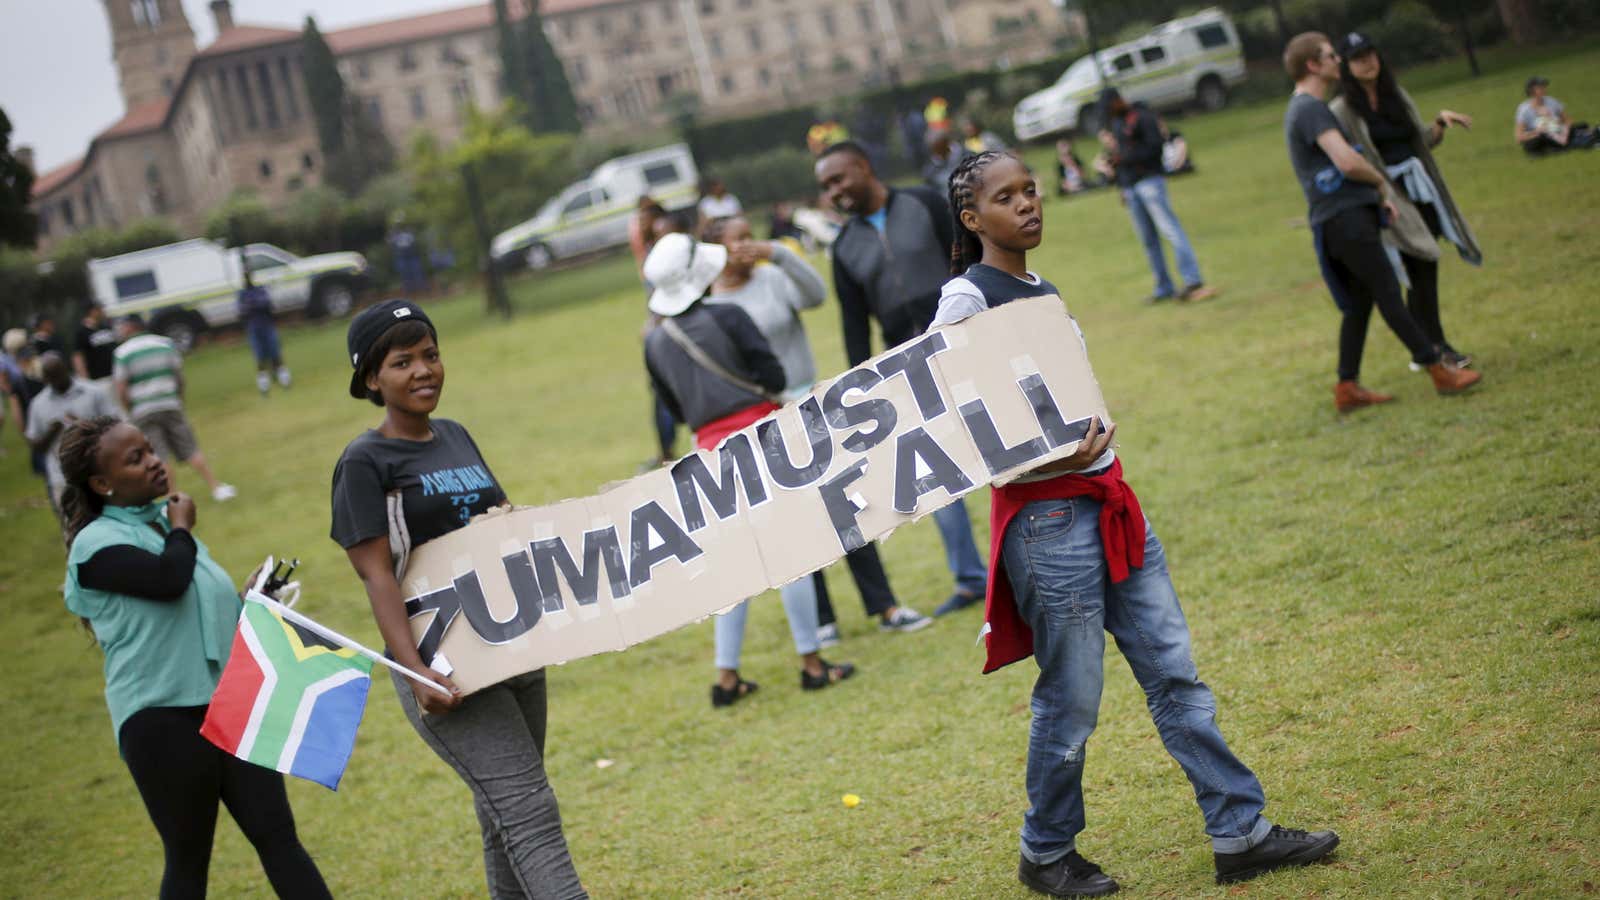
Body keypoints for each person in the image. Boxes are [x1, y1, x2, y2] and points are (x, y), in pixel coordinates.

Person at [934, 149, 1341, 896]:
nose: (1028, 204)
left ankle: (1240, 833)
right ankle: (1046, 852)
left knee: (1174, 673)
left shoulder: (1037, 286)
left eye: (1031, 190)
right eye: (1005, 197)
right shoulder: (966, 301)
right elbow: (961, 440)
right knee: (1073, 698)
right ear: (971, 219)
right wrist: (1049, 463)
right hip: (1049, 527)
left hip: (1110, 504)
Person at [331, 300, 588, 898]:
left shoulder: (455, 435)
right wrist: (414, 669)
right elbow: (376, 576)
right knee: (529, 810)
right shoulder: (364, 462)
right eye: (402, 362)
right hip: (444, 663)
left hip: (510, 643)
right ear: (372, 378)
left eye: (431, 355)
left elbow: (495, 524)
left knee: (505, 814)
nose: (424, 370)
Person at [58, 416, 332, 899]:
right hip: (161, 719)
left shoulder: (169, 531)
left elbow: (197, 610)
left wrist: (251, 599)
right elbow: (168, 581)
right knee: (188, 861)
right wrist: (181, 528)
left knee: (280, 839)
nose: (155, 463)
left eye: (150, 450)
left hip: (228, 707)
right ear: (102, 484)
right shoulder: (95, 544)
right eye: (135, 458)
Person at [642, 233, 858, 703]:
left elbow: (674, 410)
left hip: (707, 455)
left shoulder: (655, 341)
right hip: (762, 440)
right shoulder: (728, 316)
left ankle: (726, 677)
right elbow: (775, 377)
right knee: (793, 556)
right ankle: (811, 662)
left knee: (732, 566)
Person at [700, 215, 926, 643]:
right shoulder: (710, 308)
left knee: (845, 508)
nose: (749, 244)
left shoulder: (770, 278)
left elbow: (816, 295)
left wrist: (781, 254)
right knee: (798, 520)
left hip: (808, 406)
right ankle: (823, 620)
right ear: (716, 251)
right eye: (738, 240)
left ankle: (885, 605)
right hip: (762, 419)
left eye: (752, 235)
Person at [815, 140, 988, 619]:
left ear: (864, 167)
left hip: (964, 343)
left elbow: (971, 261)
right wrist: (855, 390)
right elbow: (854, 325)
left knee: (1000, 444)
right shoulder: (844, 247)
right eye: (825, 187)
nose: (834, 192)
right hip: (905, 369)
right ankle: (972, 579)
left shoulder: (924, 203)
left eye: (838, 179)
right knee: (937, 473)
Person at [1282, 32, 1480, 412]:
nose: (1337, 60)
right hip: (1344, 220)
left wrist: (1374, 199)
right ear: (1312, 64)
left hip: (1342, 217)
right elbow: (1346, 161)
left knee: (1360, 302)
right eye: (1329, 55)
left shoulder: (1307, 108)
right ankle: (1440, 370)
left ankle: (1347, 386)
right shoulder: (1310, 109)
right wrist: (1379, 184)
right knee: (1388, 292)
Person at [1331, 32, 1479, 372]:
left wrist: (1440, 124)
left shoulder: (1394, 95)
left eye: (1370, 54)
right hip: (1388, 196)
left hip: (1420, 190)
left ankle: (1429, 348)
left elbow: (1419, 141)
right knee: (1418, 266)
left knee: (1425, 267)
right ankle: (1433, 348)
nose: (1367, 61)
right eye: (1358, 57)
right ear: (1346, 67)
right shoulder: (1342, 110)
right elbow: (1346, 158)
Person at [1099, 88, 1217, 303]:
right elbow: (1122, 156)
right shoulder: (1117, 124)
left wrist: (1127, 158)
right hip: (1131, 187)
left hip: (1150, 181)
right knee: (1149, 240)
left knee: (1170, 230)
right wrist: (1123, 186)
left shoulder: (1143, 117)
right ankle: (1164, 287)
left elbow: (1155, 149)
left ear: (1118, 101)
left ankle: (1193, 280)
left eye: (1109, 108)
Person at [112, 315, 237, 501]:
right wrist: (178, 398)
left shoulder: (122, 353)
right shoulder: (165, 344)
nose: (119, 330)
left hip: (143, 409)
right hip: (170, 402)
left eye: (122, 326)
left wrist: (129, 409)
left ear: (131, 327)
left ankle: (173, 498)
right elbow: (179, 376)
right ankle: (216, 487)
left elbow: (121, 387)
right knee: (190, 448)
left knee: (159, 455)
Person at [24, 352, 121, 537]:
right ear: (45, 379)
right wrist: (52, 431)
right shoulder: (38, 404)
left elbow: (115, 428)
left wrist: (82, 425)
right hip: (61, 476)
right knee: (74, 530)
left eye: (58, 375)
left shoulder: (93, 392)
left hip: (98, 469)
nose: (55, 381)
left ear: (66, 370)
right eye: (50, 378)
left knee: (111, 522)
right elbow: (36, 446)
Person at [237, 264, 291, 396]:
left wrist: (253, 305)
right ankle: (264, 387)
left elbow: (267, 304)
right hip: (254, 329)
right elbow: (242, 311)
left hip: (267, 326)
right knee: (260, 359)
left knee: (276, 355)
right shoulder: (242, 294)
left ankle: (285, 381)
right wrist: (254, 305)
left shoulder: (260, 289)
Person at [1514, 76, 1595, 155]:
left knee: (1582, 125)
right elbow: (1519, 137)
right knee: (1536, 142)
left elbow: (1568, 120)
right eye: (1540, 87)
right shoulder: (1524, 110)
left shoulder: (1552, 101)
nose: (1544, 89)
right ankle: (1561, 144)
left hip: (1557, 130)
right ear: (1531, 91)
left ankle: (1579, 138)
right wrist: (1537, 132)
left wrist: (1563, 128)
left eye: (1544, 86)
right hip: (1540, 136)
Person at [72, 303, 119, 384]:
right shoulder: (82, 332)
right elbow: (78, 356)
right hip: (98, 378)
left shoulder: (106, 327)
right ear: (92, 311)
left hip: (116, 374)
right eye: (100, 309)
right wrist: (84, 378)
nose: (103, 311)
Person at [923, 126, 974, 192]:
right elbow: (931, 192)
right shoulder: (930, 170)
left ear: (947, 143)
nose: (939, 153)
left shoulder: (968, 156)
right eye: (936, 150)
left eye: (941, 148)